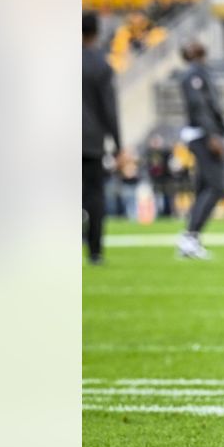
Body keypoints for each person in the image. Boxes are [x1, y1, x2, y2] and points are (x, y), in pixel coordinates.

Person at [176, 41, 224, 259]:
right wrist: (212, 135)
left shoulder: (200, 72)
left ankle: (191, 238)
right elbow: (200, 106)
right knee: (217, 185)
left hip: (205, 134)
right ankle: (190, 236)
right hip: (203, 135)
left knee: (205, 186)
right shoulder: (193, 75)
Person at [83, 13, 121, 265]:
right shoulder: (101, 64)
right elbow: (109, 109)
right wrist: (119, 145)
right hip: (91, 141)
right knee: (95, 197)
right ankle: (95, 252)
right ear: (97, 32)